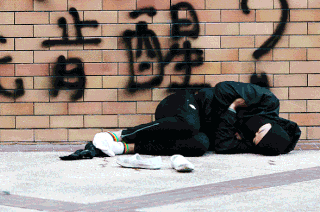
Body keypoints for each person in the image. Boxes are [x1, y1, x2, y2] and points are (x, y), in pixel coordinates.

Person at [62, 81, 301, 163]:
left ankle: (125, 147)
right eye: (260, 129)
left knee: (199, 145)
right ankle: (120, 135)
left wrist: (230, 110)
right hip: (183, 103)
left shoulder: (254, 139)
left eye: (256, 139)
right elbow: (222, 89)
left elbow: (221, 145)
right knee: (191, 125)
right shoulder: (268, 102)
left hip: (189, 127)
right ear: (274, 124)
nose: (254, 133)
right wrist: (229, 115)